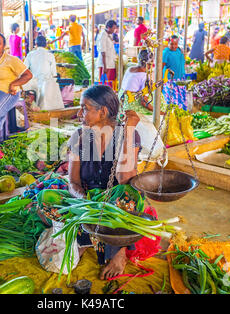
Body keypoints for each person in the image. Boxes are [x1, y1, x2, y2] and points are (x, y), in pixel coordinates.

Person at [66, 85, 142, 280]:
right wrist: (84, 199)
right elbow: (73, 181)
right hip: (90, 198)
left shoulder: (128, 134)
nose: (79, 113)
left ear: (103, 111)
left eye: (84, 108)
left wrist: (130, 129)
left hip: (116, 199)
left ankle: (119, 251)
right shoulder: (79, 137)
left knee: (126, 195)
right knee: (45, 198)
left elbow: (125, 179)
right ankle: (88, 238)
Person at [22, 35, 64, 111]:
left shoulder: (30, 55)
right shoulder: (50, 55)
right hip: (47, 85)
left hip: (33, 85)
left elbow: (23, 69)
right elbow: (54, 74)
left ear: (36, 44)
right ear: (46, 45)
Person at [119, 49, 153, 114]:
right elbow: (144, 102)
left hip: (121, 103)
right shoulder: (144, 77)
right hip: (130, 106)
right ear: (149, 64)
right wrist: (157, 112)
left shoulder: (130, 69)